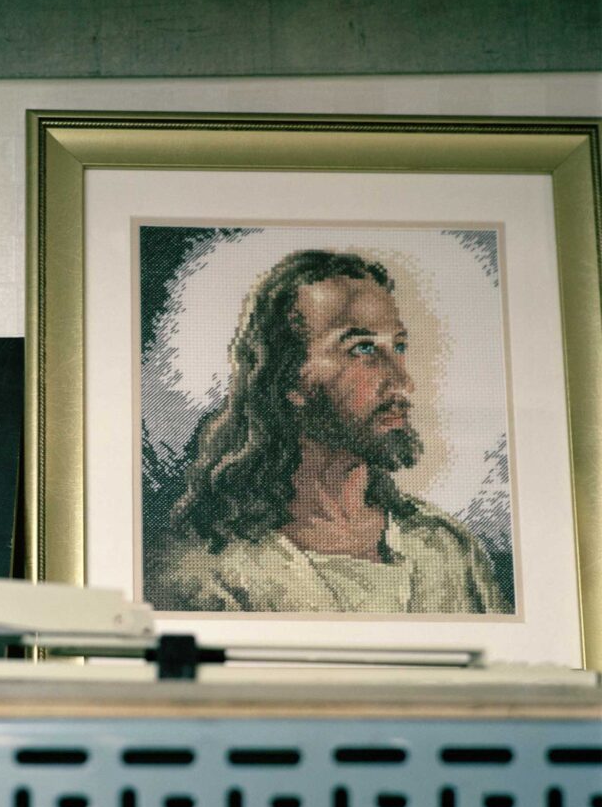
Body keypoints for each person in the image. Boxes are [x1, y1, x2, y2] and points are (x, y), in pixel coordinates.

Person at [145, 249, 509, 614]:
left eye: (398, 347)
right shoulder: (212, 571)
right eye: (362, 348)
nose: (403, 382)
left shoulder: (446, 546)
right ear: (289, 379)